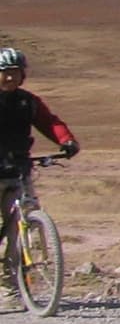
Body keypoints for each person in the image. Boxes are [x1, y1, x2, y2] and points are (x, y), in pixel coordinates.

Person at [0, 48, 78, 219]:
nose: (11, 78)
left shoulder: (28, 102)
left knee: (27, 209)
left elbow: (48, 122)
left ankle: (24, 241)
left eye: (15, 72)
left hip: (18, 166)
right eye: (5, 73)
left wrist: (66, 140)